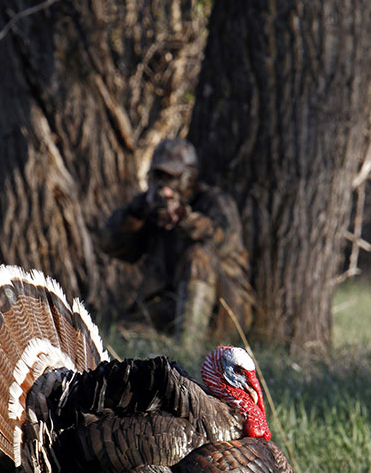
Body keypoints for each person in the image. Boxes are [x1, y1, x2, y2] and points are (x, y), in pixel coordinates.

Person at [99, 138, 255, 343]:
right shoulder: (150, 209)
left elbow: (220, 237)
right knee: (124, 334)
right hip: (172, 306)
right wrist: (136, 212)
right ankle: (167, 345)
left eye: (171, 178)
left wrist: (183, 218)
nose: (164, 185)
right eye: (158, 177)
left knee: (198, 256)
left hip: (226, 311)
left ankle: (187, 350)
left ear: (189, 177)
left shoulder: (215, 202)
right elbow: (110, 245)